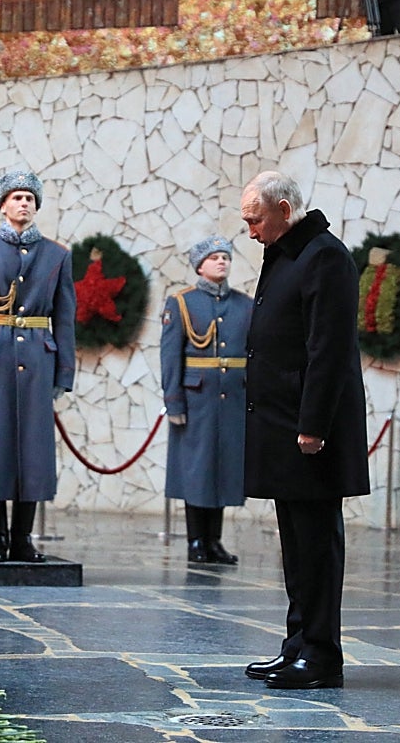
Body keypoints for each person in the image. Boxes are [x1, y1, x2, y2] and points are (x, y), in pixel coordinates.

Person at [239, 171, 369, 690]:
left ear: (285, 209)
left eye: (256, 219)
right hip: (282, 424)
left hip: (309, 430)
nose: (249, 231)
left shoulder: (325, 256)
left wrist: (313, 425)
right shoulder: (288, 253)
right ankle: (297, 644)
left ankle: (321, 656)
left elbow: (329, 348)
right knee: (295, 543)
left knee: (316, 544)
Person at [0, 171, 76, 563]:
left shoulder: (57, 255)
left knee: (33, 452)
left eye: (29, 198)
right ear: (3, 205)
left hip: (39, 362)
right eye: (16, 197)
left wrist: (63, 374)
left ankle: (23, 539)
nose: (23, 203)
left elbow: (64, 318)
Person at [160, 235, 252, 565]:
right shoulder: (181, 303)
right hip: (195, 400)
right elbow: (171, 357)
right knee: (196, 472)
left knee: (225, 471)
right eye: (214, 258)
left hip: (233, 400)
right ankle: (195, 541)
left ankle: (215, 541)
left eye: (225, 257)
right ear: (200, 265)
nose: (222, 262)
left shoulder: (244, 305)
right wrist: (174, 402)